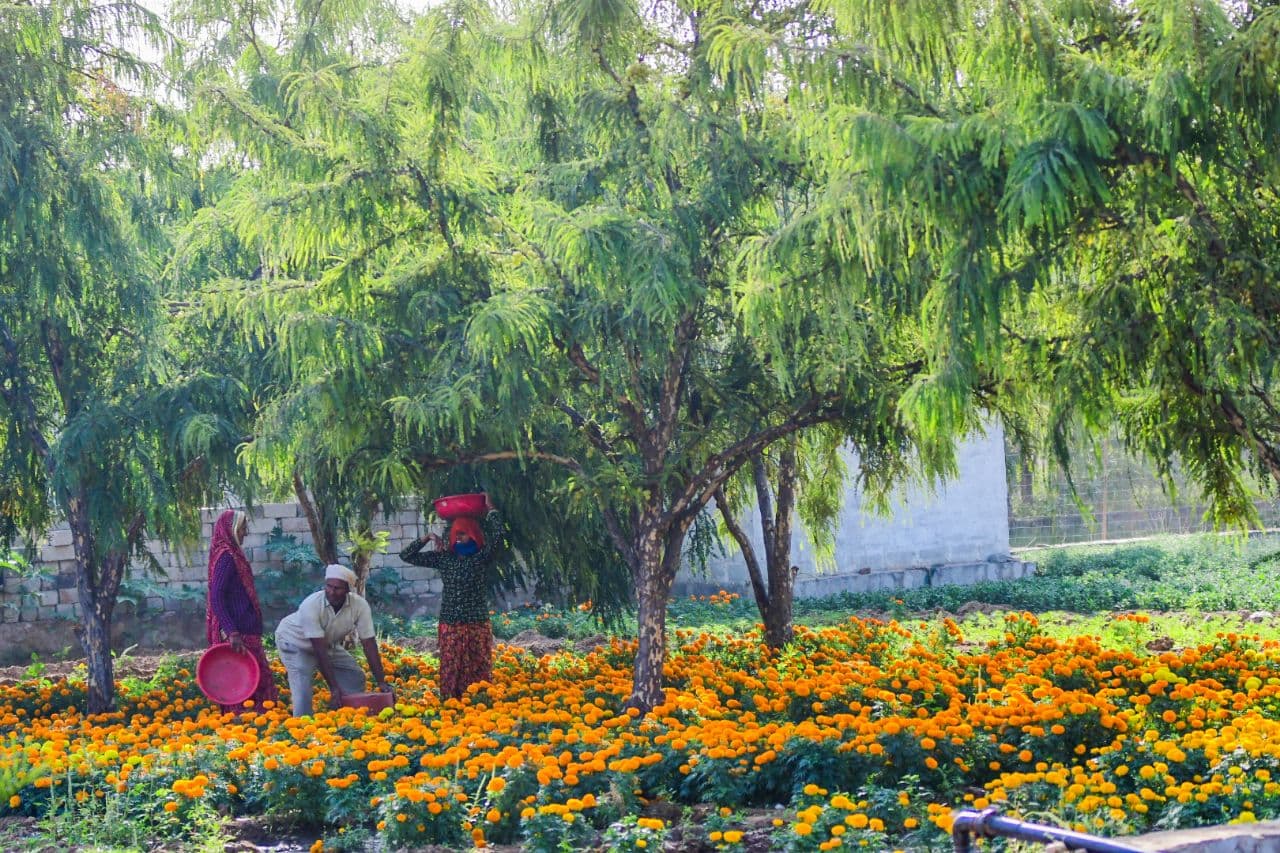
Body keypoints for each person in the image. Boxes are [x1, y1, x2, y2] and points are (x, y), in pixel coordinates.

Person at [399, 495, 503, 699]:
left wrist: (492, 510)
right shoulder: (445, 559)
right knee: (450, 665)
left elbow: (499, 537)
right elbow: (406, 556)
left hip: (477, 621)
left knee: (478, 664)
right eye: (457, 534)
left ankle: (479, 701)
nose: (459, 538)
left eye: (464, 534)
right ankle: (451, 704)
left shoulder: (481, 558)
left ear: (474, 535)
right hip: (451, 622)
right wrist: (427, 538)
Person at [274, 564, 390, 716]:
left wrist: (381, 681)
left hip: (326, 642)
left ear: (348, 590)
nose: (332, 592)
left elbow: (369, 644)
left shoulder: (360, 606)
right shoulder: (311, 604)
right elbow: (319, 651)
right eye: (329, 586)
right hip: (294, 642)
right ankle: (301, 727)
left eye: (338, 588)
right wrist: (333, 688)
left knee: (355, 676)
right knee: (302, 685)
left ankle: (347, 714)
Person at [205, 509, 278, 713]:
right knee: (242, 684)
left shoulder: (232, 554)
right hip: (238, 635)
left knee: (254, 683)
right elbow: (217, 596)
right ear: (232, 529)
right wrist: (232, 632)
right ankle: (245, 731)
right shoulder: (226, 557)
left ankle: (257, 729)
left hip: (245, 631)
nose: (246, 532)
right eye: (243, 527)